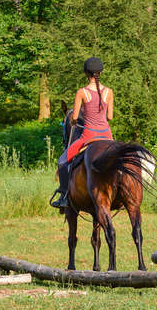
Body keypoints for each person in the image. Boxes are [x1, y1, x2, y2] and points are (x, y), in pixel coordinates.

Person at [50, 57, 114, 208]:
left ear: (86, 73)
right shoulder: (109, 92)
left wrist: (73, 121)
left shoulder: (82, 92)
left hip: (88, 136)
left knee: (62, 162)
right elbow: (110, 117)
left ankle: (65, 196)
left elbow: (74, 117)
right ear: (101, 72)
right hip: (107, 136)